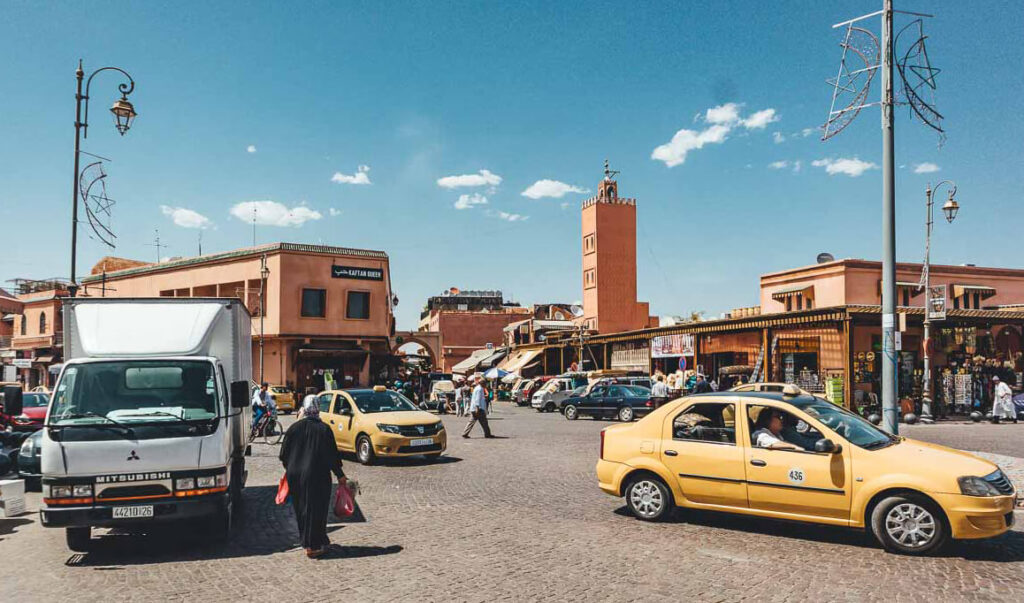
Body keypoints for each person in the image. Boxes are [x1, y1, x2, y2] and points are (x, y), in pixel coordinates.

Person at [279, 397, 347, 558]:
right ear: (318, 408)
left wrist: (291, 469)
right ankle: (314, 546)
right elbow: (332, 456)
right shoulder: (324, 429)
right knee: (317, 509)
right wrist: (340, 475)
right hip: (318, 475)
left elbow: (283, 455)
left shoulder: (294, 428)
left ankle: (309, 542)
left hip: (296, 476)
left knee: (302, 509)